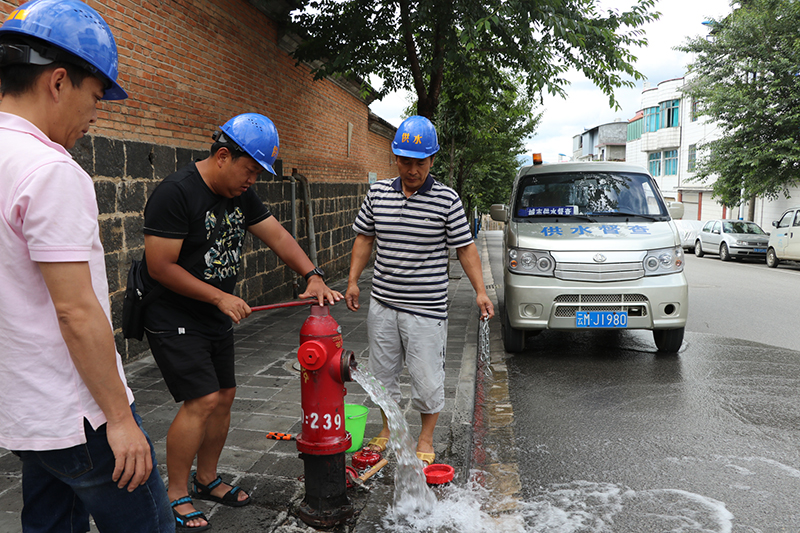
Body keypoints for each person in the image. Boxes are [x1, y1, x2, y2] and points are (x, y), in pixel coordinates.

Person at [0, 0, 174, 531]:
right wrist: (120, 420)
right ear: (57, 82)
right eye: (96, 95)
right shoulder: (51, 170)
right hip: (81, 414)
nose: (96, 113)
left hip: (25, 412)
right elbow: (77, 311)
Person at [141, 112, 343, 531]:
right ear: (222, 156)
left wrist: (312, 275)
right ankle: (174, 492)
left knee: (226, 394)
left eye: (257, 174)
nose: (252, 180)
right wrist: (219, 296)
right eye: (249, 170)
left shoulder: (241, 195)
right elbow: (160, 266)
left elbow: (279, 237)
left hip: (212, 312)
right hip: (172, 312)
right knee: (202, 399)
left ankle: (206, 478)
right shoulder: (175, 193)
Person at [345, 115, 494, 465]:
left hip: (425, 308)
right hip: (382, 303)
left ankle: (425, 437)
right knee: (382, 377)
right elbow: (365, 237)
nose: (413, 169)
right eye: (406, 161)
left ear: (432, 160)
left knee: (427, 380)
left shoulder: (447, 200)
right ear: (395, 158)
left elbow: (465, 248)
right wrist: (352, 280)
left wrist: (481, 291)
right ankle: (388, 430)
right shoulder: (378, 192)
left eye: (421, 162)